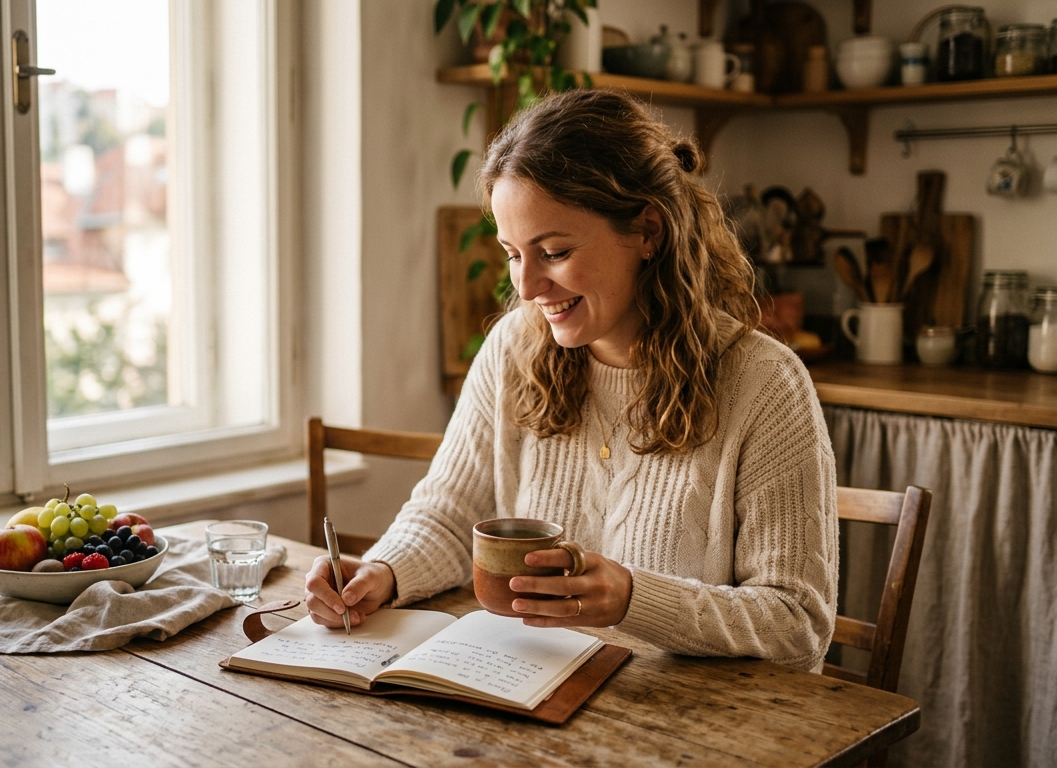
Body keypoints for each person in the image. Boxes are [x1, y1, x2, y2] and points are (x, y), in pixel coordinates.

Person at [303, 89, 838, 672]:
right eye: (513, 254)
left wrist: (634, 599)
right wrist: (383, 572)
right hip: (527, 697)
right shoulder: (512, 349)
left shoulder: (765, 385)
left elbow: (798, 624)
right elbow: (450, 515)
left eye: (553, 251)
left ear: (648, 232)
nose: (528, 287)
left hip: (687, 731)